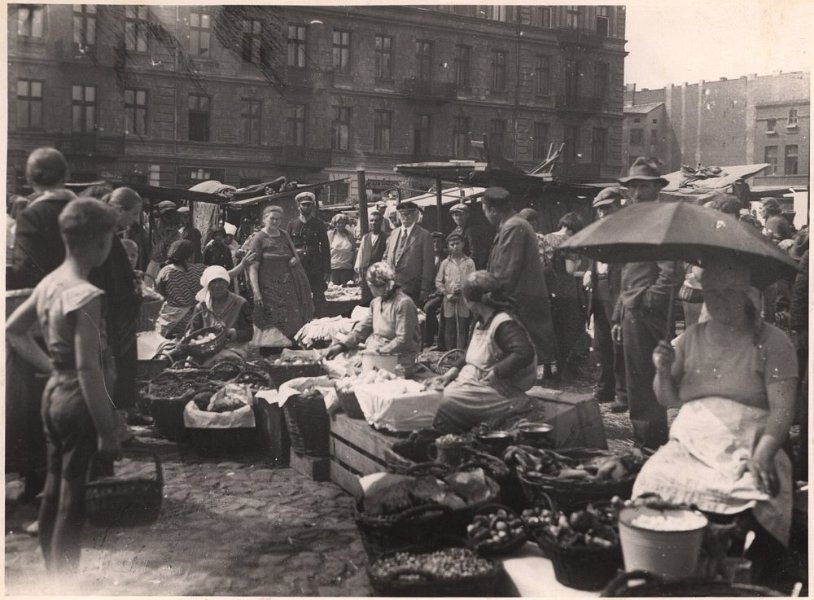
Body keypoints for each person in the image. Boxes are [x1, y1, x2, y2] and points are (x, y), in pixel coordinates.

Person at [635, 259, 798, 584]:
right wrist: (662, 370)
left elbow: (782, 410)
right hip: (692, 443)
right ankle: (671, 571)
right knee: (652, 482)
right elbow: (668, 398)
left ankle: (737, 578)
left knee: (752, 496)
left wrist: (761, 455)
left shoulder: (772, 341)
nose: (720, 301)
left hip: (755, 442)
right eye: (712, 293)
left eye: (730, 292)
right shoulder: (690, 339)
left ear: (748, 293)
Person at [6, 197, 122, 573]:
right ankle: (63, 585)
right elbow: (89, 368)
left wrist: (52, 366)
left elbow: (13, 330)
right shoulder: (87, 295)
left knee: (53, 488)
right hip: (77, 399)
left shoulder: (50, 283)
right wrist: (107, 431)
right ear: (100, 243)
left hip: (53, 392)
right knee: (74, 498)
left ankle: (49, 575)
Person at [612, 157, 682, 450]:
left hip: (647, 312)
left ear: (656, 188)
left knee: (647, 378)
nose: (636, 193)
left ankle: (651, 441)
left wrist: (649, 301)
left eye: (643, 187)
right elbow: (627, 273)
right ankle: (643, 439)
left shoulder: (661, 221)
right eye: (632, 187)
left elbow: (670, 271)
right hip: (631, 309)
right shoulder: (635, 220)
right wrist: (619, 314)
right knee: (635, 380)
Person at [432, 271, 538, 433]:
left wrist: (497, 371)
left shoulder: (503, 323)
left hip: (494, 389)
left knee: (439, 402)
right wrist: (449, 374)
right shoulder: (480, 321)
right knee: (430, 395)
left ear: (471, 302)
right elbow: (470, 353)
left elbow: (523, 352)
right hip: (472, 384)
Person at [482, 186, 557, 366]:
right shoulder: (514, 224)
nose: (485, 216)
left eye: (485, 211)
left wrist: (489, 298)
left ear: (493, 210)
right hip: (522, 298)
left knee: (520, 351)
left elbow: (506, 271)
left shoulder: (513, 227)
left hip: (519, 301)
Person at [326, 262, 421, 368]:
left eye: (371, 286)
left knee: (363, 372)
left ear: (380, 286)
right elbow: (362, 329)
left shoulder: (403, 303)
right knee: (340, 359)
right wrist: (342, 345)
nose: (371, 290)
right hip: (377, 350)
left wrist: (375, 354)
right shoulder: (376, 303)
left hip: (399, 355)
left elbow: (403, 340)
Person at [583, 187, 627, 411]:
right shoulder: (599, 230)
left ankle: (622, 393)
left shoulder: (628, 231)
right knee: (602, 343)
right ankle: (605, 387)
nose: (602, 214)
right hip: (599, 290)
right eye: (599, 210)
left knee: (619, 341)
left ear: (620, 205)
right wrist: (589, 272)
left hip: (618, 290)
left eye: (606, 208)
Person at [155, 240, 252, 339]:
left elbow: (159, 293)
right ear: (190, 255)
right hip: (190, 318)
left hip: (169, 320)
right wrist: (242, 265)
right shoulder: (198, 269)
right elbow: (223, 274)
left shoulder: (165, 272)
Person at [9, 148, 77, 290]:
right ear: (66, 176)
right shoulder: (88, 211)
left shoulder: (31, 216)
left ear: (29, 179)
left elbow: (25, 272)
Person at [249, 205, 315, 347]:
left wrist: (294, 259)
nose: (275, 222)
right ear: (265, 219)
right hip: (268, 288)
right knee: (272, 322)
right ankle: (271, 351)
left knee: (291, 318)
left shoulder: (284, 235)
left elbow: (295, 255)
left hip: (288, 287)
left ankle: (290, 349)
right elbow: (253, 267)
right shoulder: (259, 238)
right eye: (272, 218)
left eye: (278, 219)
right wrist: (256, 293)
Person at [168, 266, 254, 366]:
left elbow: (249, 333)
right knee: (189, 364)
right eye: (213, 282)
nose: (217, 285)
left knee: (215, 362)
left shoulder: (240, 303)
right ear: (207, 285)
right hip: (205, 349)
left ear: (227, 283)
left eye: (221, 281)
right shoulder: (202, 306)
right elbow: (194, 332)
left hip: (233, 348)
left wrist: (231, 333)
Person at [540, 211, 589, 379]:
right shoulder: (570, 243)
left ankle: (547, 369)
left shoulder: (546, 237)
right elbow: (570, 270)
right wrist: (581, 267)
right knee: (567, 329)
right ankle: (563, 369)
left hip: (548, 288)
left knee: (550, 328)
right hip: (565, 290)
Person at [384, 201, 435, 305]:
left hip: (413, 289)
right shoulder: (393, 233)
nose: (405, 216)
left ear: (416, 215)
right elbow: (386, 257)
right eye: (402, 214)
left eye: (409, 213)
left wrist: (425, 289)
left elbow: (428, 264)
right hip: (393, 288)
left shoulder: (424, 235)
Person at [287, 192, 331, 305]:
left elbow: (326, 248)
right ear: (298, 206)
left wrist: (327, 269)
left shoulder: (319, 224)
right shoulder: (292, 225)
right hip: (298, 265)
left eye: (309, 205)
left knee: (318, 297)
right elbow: (287, 247)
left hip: (316, 266)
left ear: (313, 206)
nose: (306, 207)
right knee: (298, 296)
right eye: (304, 205)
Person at [435, 232, 476, 350]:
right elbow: (438, 281)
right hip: (449, 299)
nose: (455, 247)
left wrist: (463, 290)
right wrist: (447, 294)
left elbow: (473, 279)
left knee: (462, 327)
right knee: (450, 327)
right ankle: (450, 353)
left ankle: (460, 352)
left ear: (463, 244)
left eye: (457, 243)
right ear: (448, 246)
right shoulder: (445, 263)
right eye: (452, 244)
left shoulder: (469, 262)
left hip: (464, 299)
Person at [355, 210, 389, 306]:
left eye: (376, 220)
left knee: (378, 300)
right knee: (365, 300)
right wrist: (359, 270)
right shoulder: (366, 237)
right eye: (372, 220)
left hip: (379, 275)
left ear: (381, 222)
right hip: (365, 274)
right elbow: (360, 253)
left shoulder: (386, 237)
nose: (374, 223)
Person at [423, 232, 448, 350]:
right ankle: (426, 336)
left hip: (443, 292)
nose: (436, 244)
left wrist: (436, 293)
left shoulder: (446, 260)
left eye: (439, 241)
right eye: (433, 242)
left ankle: (430, 339)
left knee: (429, 307)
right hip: (430, 291)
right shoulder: (429, 258)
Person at [146, 201, 181, 280]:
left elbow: (163, 242)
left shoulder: (174, 228)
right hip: (158, 260)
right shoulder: (160, 223)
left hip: (167, 261)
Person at [450, 202, 488, 269]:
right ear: (452, 217)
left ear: (467, 215)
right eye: (455, 215)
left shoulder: (471, 231)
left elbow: (475, 253)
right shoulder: (454, 232)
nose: (458, 218)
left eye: (461, 215)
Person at [328, 213, 357, 285]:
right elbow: (326, 252)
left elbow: (354, 252)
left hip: (347, 269)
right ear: (335, 224)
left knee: (348, 291)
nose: (340, 225)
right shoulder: (330, 234)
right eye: (338, 223)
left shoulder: (350, 235)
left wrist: (355, 271)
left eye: (343, 223)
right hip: (333, 269)